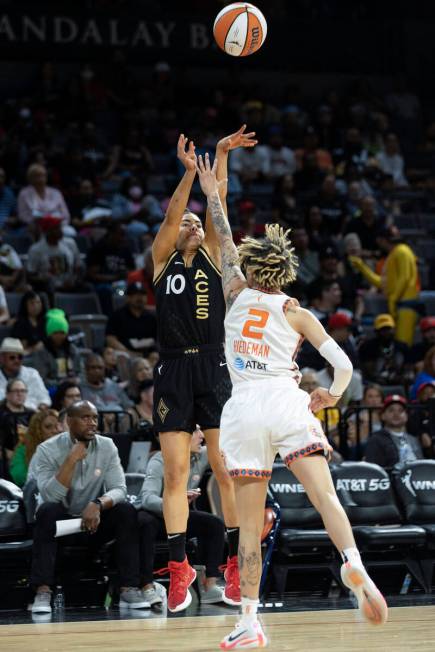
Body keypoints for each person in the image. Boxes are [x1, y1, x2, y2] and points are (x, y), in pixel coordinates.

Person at [195, 153, 387, 649]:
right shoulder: (297, 311)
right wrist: (328, 395)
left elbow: (221, 229)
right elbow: (344, 367)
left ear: (254, 265)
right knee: (326, 497)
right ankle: (353, 564)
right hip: (287, 401)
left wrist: (213, 187)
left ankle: (250, 621)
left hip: (242, 410)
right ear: (285, 274)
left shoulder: (234, 290)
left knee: (250, 524)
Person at [151, 127, 257, 613]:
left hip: (214, 366)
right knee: (175, 473)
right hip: (173, 369)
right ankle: (178, 568)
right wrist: (189, 175)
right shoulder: (161, 260)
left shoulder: (214, 255)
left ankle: (234, 563)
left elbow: (219, 206)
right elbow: (177, 211)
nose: (194, 225)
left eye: (198, 224)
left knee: (222, 469)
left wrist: (219, 157)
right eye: (188, 224)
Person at [29, 400, 147, 613]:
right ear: (69, 422)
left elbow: (119, 489)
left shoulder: (107, 446)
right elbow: (50, 496)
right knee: (46, 511)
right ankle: (43, 590)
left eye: (94, 418)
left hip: (94, 521)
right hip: (62, 524)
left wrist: (98, 504)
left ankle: (129, 586)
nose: (92, 423)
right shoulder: (46, 450)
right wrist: (71, 460)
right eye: (85, 418)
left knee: (126, 511)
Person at [136, 427, 226, 606]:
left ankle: (210, 586)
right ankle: (147, 587)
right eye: (196, 432)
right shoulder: (160, 460)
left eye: (202, 431)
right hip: (157, 516)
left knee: (214, 524)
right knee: (145, 523)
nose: (202, 436)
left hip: (180, 516)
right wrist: (173, 503)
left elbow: (225, 450)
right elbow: (146, 498)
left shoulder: (200, 454)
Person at [349, 225, 419, 346]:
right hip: (397, 305)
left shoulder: (402, 250)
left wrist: (393, 299)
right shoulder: (392, 254)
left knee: (403, 344)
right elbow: (383, 283)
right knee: (396, 344)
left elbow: (405, 277)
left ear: (381, 240)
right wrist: (362, 267)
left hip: (406, 305)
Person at [26, 216, 83, 295]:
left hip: (70, 286)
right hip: (48, 289)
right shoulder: (36, 249)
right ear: (47, 231)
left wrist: (74, 280)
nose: (60, 231)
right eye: (56, 228)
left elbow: (78, 266)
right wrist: (45, 280)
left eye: (60, 227)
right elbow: (30, 275)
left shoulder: (70, 244)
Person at [365, 395, 424, 469]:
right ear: (383, 416)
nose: (396, 414)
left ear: (406, 416)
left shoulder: (413, 439)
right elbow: (373, 470)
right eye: (391, 410)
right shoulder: (375, 439)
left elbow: (422, 464)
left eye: (401, 410)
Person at [9, 408, 61, 487]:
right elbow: (19, 476)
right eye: (48, 427)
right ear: (37, 430)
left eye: (57, 426)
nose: (54, 431)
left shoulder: (69, 446)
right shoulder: (23, 448)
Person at [30, 309, 81, 387]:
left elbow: (81, 373)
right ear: (49, 334)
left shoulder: (73, 350)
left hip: (72, 388)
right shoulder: (42, 352)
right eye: (55, 333)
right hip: (52, 390)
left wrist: (77, 380)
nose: (59, 336)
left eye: (62, 333)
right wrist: (61, 383)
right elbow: (41, 379)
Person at [105, 282, 157, 356]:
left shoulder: (152, 317)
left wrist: (154, 352)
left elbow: (159, 340)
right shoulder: (117, 316)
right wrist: (128, 353)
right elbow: (110, 339)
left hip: (149, 356)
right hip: (125, 355)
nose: (140, 298)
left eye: (142, 294)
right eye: (135, 294)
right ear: (128, 297)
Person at [0, 338, 51, 410]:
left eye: (20, 357)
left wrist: (40, 410)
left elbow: (45, 399)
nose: (16, 360)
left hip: (31, 416)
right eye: (12, 357)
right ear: (2, 358)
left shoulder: (32, 374)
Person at [359, 314, 409, 386]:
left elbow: (407, 368)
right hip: (375, 382)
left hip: (398, 379)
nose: (386, 332)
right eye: (382, 329)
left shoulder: (402, 347)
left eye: (388, 329)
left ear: (394, 329)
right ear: (376, 331)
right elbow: (369, 372)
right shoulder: (367, 347)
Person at [17, 163, 70, 228]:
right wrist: (38, 223)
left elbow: (65, 215)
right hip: (34, 227)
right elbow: (22, 215)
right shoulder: (24, 194)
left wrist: (58, 224)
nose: (41, 179)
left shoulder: (56, 193)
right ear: (30, 178)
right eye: (37, 176)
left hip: (57, 227)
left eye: (43, 175)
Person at [0, 379, 34, 476]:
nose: (20, 394)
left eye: (23, 391)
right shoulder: (1, 415)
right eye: (16, 391)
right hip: (5, 460)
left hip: (28, 457)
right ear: (7, 394)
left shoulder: (33, 415)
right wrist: (6, 453)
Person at [10, 291, 47, 355]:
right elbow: (21, 350)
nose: (36, 306)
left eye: (38, 302)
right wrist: (34, 348)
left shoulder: (45, 321)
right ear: (25, 305)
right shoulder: (21, 323)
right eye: (32, 303)